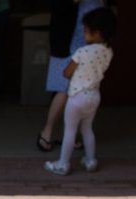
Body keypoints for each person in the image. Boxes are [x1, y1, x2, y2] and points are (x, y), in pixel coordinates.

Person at [44, 7, 116, 175]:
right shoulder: (108, 52)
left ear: (96, 32)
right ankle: (91, 160)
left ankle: (63, 164)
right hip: (94, 97)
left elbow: (67, 73)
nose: (84, 33)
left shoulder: (81, 52)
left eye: (86, 30)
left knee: (70, 130)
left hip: (77, 98)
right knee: (87, 129)